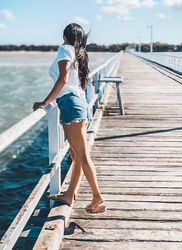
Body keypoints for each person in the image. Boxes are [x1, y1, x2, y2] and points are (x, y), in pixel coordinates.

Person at [33, 23, 106, 213]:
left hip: (71, 105)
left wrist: (45, 102)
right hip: (80, 105)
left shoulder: (65, 49)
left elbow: (63, 79)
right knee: (76, 155)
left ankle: (97, 197)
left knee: (81, 155)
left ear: (65, 35)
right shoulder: (80, 53)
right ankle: (69, 194)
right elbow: (76, 83)